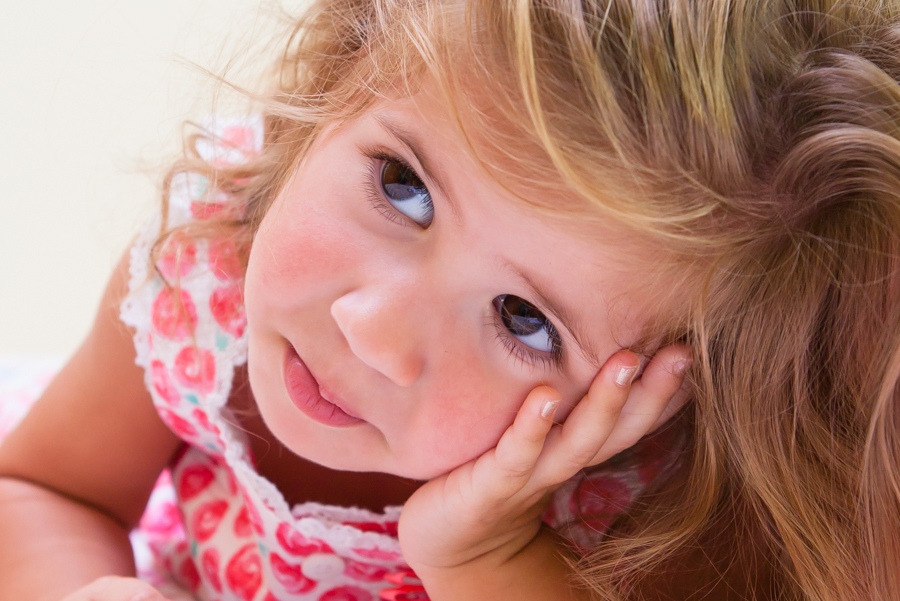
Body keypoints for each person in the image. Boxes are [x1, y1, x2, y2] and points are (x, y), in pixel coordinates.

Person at [1, 0, 898, 599]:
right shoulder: (201, 278)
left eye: (524, 319)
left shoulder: (637, 505)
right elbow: (45, 487)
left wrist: (486, 552)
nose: (372, 328)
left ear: (660, 393)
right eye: (403, 186)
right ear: (336, 90)